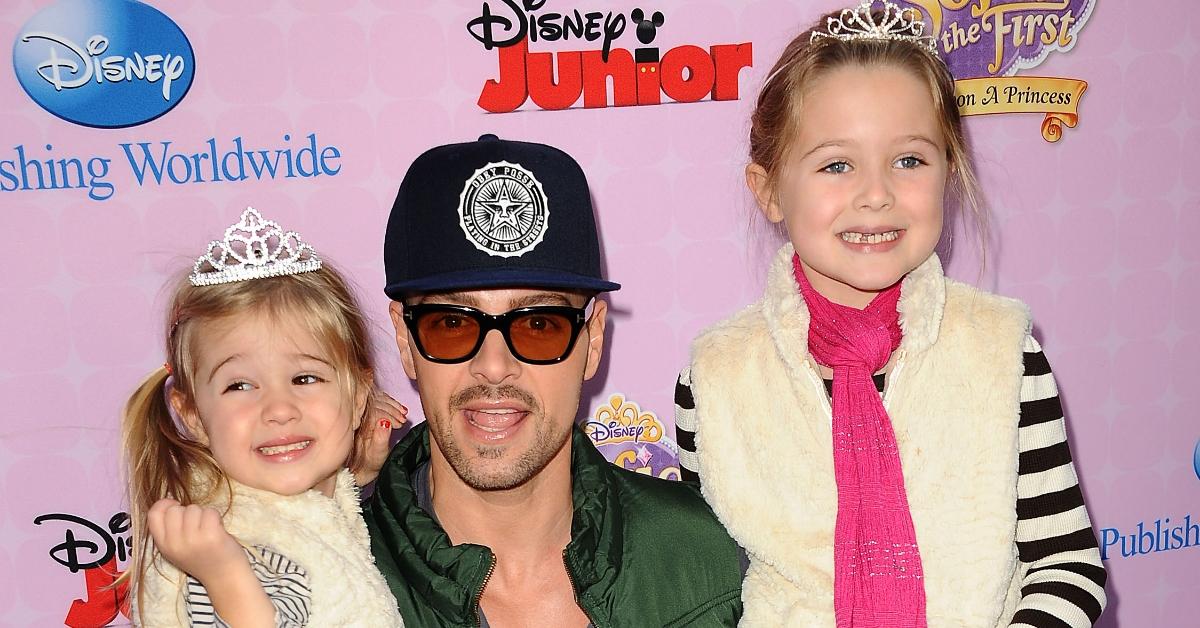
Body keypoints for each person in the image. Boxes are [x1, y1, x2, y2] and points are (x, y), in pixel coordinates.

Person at [673, 1, 1107, 626]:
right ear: (768, 190)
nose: (875, 193)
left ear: (948, 174)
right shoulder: (714, 378)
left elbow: (1066, 565)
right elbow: (709, 588)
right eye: (836, 164)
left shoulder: (1003, 352)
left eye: (909, 160)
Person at [364, 134, 745, 627]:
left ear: (594, 339)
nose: (494, 367)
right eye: (453, 324)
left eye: (538, 325)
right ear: (404, 339)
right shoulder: (327, 583)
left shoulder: (711, 564)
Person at [122, 207, 404, 626]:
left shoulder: (283, 511)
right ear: (194, 414)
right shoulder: (237, 549)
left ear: (358, 394)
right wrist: (226, 577)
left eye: (305, 378)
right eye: (239, 386)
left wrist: (358, 477)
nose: (278, 410)